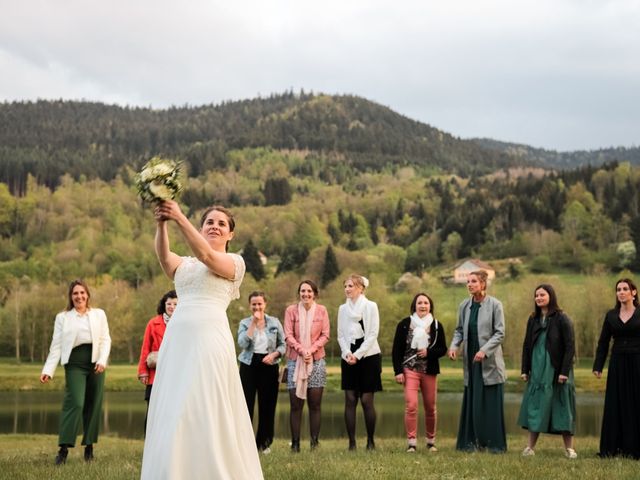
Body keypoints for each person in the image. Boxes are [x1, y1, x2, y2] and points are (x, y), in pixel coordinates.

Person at [141, 202, 263, 479]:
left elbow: (207, 255)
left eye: (222, 224)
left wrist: (179, 216)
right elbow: (164, 258)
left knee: (204, 402)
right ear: (201, 227)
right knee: (176, 405)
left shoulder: (235, 263)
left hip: (209, 339)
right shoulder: (185, 264)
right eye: (210, 222)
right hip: (178, 341)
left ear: (231, 234)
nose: (215, 227)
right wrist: (162, 223)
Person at [40, 279, 111, 465]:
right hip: (74, 363)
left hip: (96, 362)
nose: (79, 296)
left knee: (93, 404)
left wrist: (102, 361)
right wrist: (48, 370)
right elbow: (56, 346)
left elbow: (105, 340)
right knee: (76, 403)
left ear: (87, 295)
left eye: (82, 293)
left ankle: (89, 447)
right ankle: (63, 449)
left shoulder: (99, 314)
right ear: (71, 297)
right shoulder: (62, 318)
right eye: (75, 294)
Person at [448, 269, 507, 453]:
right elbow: (459, 330)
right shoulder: (464, 306)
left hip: (489, 362)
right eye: (468, 281)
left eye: (473, 281)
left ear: (483, 284)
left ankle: (493, 444)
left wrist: (484, 350)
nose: (469, 284)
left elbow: (500, 333)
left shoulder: (495, 305)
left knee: (490, 404)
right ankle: (470, 443)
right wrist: (454, 346)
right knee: (472, 403)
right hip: (471, 362)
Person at [517, 284, 577, 458]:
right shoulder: (533, 319)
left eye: (542, 295)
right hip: (537, 369)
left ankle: (569, 449)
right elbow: (527, 345)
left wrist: (564, 371)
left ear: (551, 296)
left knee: (562, 406)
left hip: (557, 369)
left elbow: (570, 346)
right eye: (536, 295)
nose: (539, 298)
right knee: (536, 406)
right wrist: (525, 369)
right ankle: (530, 448)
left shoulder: (562, 318)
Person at [392, 292, 447, 453]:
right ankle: (412, 443)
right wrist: (398, 371)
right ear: (414, 306)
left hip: (429, 371)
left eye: (426, 303)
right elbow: (396, 351)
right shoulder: (404, 324)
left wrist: (429, 352)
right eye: (419, 303)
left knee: (430, 407)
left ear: (430, 306)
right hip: (409, 370)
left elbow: (442, 349)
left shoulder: (437, 325)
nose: (423, 306)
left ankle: (430, 442)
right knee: (411, 405)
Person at [593, 278, 640, 459]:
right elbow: (603, 342)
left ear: (633, 292)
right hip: (617, 362)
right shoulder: (611, 315)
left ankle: (635, 449)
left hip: (637, 362)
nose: (621, 292)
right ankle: (613, 448)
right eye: (618, 289)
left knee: (637, 402)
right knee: (616, 403)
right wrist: (598, 365)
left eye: (625, 289)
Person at [283, 280, 330, 452]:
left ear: (314, 294)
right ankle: (295, 444)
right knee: (295, 405)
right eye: (303, 291)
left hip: (316, 360)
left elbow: (325, 335)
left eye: (309, 291)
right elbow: (288, 335)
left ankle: (314, 443)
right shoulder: (290, 311)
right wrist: (302, 350)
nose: (306, 294)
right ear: (299, 293)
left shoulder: (322, 311)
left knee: (315, 405)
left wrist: (311, 350)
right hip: (296, 360)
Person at [337, 274, 382, 450]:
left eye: (351, 286)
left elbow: (373, 333)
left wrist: (358, 354)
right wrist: (347, 353)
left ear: (361, 288)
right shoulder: (342, 309)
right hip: (348, 356)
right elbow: (340, 334)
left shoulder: (371, 306)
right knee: (350, 399)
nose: (347, 289)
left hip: (369, 356)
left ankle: (370, 441)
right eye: (346, 286)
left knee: (366, 400)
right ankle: (352, 443)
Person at [237, 291, 286, 454]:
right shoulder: (244, 323)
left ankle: (264, 443)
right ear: (250, 305)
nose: (257, 306)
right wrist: (253, 324)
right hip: (248, 365)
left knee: (267, 406)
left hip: (269, 365)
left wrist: (274, 355)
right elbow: (243, 343)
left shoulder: (274, 322)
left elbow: (283, 345)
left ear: (265, 304)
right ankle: (245, 444)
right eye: (254, 304)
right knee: (246, 405)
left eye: (260, 303)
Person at [137, 290, 177, 432]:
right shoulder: (153, 323)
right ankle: (149, 447)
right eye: (169, 303)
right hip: (156, 374)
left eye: (175, 304)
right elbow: (145, 348)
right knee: (153, 412)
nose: (172, 307)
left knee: (172, 413)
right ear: (164, 305)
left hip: (175, 376)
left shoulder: (183, 323)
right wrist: (143, 371)